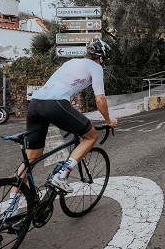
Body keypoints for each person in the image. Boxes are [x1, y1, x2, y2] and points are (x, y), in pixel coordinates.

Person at [6, 35, 117, 218]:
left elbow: (62, 86)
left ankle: (11, 209)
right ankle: (62, 174)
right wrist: (108, 120)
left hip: (35, 105)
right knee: (91, 136)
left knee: (31, 159)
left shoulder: (70, 63)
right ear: (102, 58)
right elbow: (100, 99)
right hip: (55, 105)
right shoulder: (95, 66)